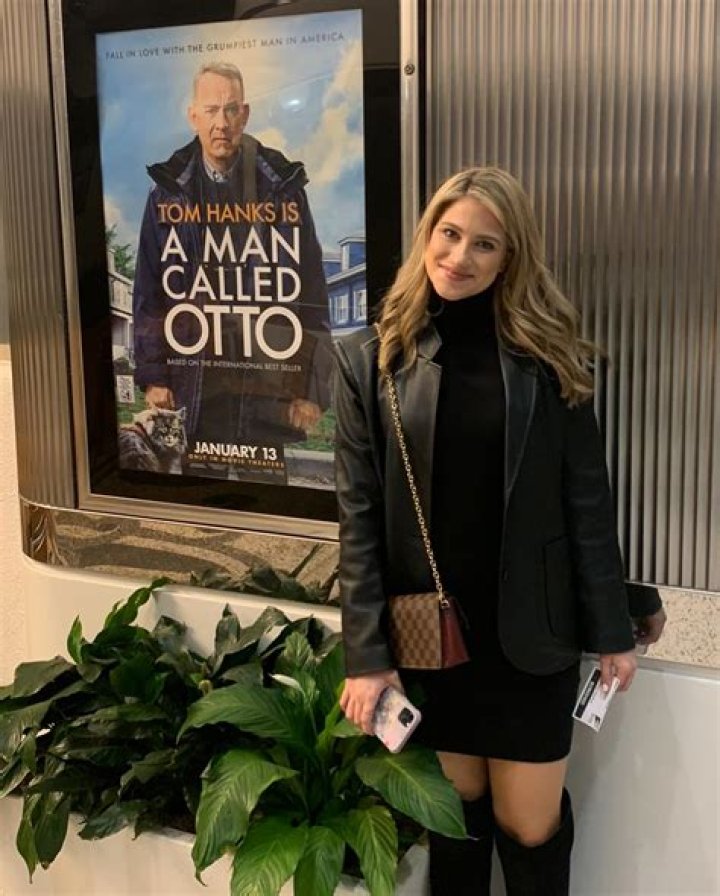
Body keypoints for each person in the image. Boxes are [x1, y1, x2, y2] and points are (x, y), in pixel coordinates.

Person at [334, 167, 667, 895]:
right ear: (427, 234)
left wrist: (612, 631)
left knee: (530, 829)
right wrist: (367, 657)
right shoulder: (372, 360)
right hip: (432, 639)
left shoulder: (551, 362)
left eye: (484, 244)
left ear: (510, 257)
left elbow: (587, 505)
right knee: (455, 823)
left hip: (532, 641)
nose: (460, 256)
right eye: (449, 233)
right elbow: (357, 520)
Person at [132, 61, 332, 465]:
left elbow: (311, 292)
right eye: (210, 110)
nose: (220, 123)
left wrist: (309, 389)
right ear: (193, 116)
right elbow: (149, 294)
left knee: (271, 495)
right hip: (194, 388)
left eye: (230, 109)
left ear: (245, 114)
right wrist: (154, 376)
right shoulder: (166, 194)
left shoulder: (285, 189)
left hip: (267, 388)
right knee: (199, 495)